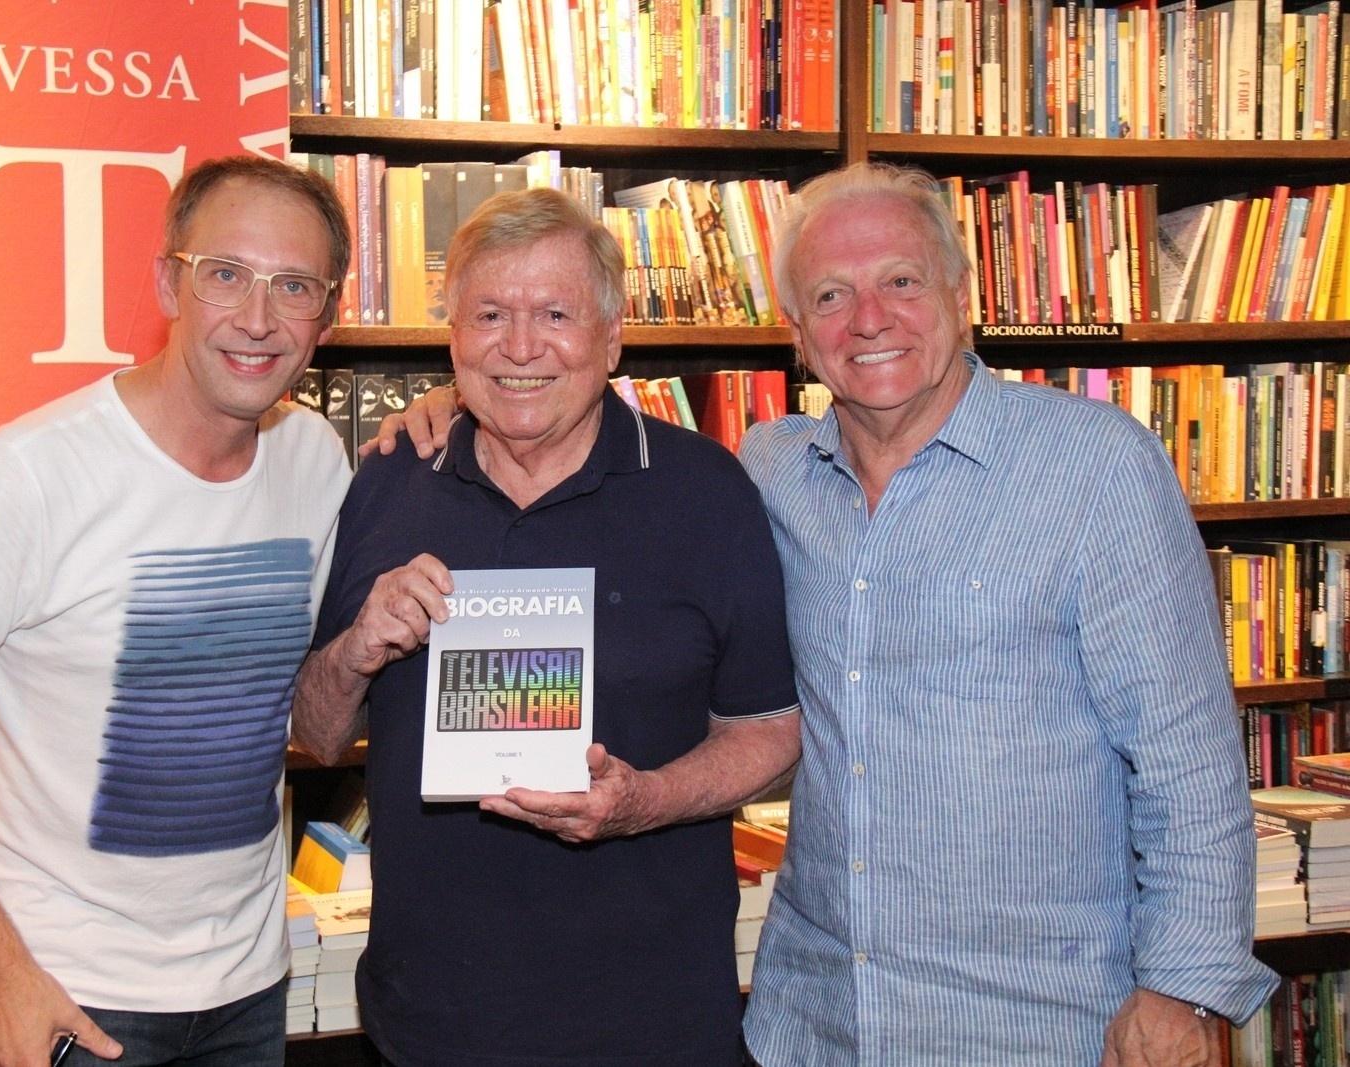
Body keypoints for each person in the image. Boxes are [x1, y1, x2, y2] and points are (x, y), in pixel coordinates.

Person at [374, 163, 1277, 1067]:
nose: (869, 319)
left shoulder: (1097, 470)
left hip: (1038, 1022)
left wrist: (1183, 986)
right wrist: (470, 399)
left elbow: (1188, 757)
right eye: (831, 295)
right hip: (817, 1021)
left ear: (960, 296)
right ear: (799, 333)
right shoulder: (769, 472)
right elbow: (581, 435)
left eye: (901, 281)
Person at [0, 155, 353, 1067]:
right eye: (225, 274)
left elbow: (313, 713)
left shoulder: (318, 462)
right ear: (168, 282)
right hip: (69, 996)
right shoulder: (33, 473)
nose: (258, 318)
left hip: (251, 988)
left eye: (294, 286)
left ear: (330, 314)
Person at [291, 187, 801, 1067]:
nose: (520, 346)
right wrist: (356, 647)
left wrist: (643, 803)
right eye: (490, 313)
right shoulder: (386, 482)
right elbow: (317, 733)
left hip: (654, 1026)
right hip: (427, 1026)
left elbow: (772, 733)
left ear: (612, 338)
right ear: (453, 337)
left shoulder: (707, 492)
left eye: (555, 314)